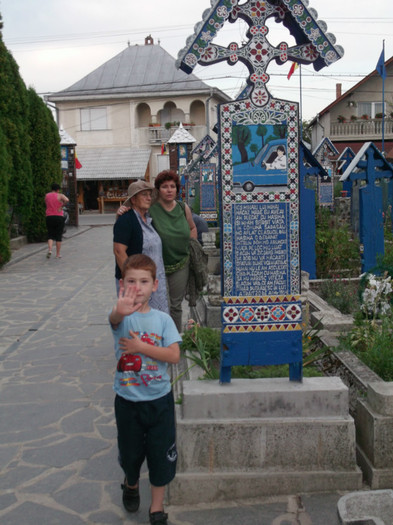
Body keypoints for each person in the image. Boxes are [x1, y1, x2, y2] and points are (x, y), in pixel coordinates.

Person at [109, 254, 181, 525]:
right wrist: (120, 308)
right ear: (121, 284)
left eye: (143, 281)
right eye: (131, 281)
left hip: (159, 402)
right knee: (130, 454)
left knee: (161, 455)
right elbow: (114, 317)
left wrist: (141, 348)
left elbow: (173, 355)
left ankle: (157, 508)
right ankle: (130, 482)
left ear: (155, 285)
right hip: (128, 402)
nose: (137, 287)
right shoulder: (120, 318)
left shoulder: (163, 320)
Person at [149, 170, 197, 332]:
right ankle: (158, 335)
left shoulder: (183, 208)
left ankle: (175, 338)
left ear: (177, 189)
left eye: (172, 186)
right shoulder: (151, 209)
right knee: (157, 302)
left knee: (175, 305)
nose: (169, 190)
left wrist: (192, 246)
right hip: (157, 264)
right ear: (158, 190)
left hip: (181, 263)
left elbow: (192, 227)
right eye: (164, 187)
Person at [113, 180, 168, 313]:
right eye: (144, 195)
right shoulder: (126, 219)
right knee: (138, 320)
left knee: (155, 320)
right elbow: (119, 251)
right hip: (137, 284)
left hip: (154, 281)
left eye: (150, 194)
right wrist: (132, 280)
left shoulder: (148, 219)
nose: (149, 198)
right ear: (133, 199)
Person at [45, 183, 69, 259]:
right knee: (58, 236)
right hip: (59, 216)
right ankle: (58, 254)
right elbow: (67, 200)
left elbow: (46, 203)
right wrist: (61, 206)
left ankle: (50, 249)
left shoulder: (47, 195)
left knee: (50, 234)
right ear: (58, 189)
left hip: (49, 216)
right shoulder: (60, 195)